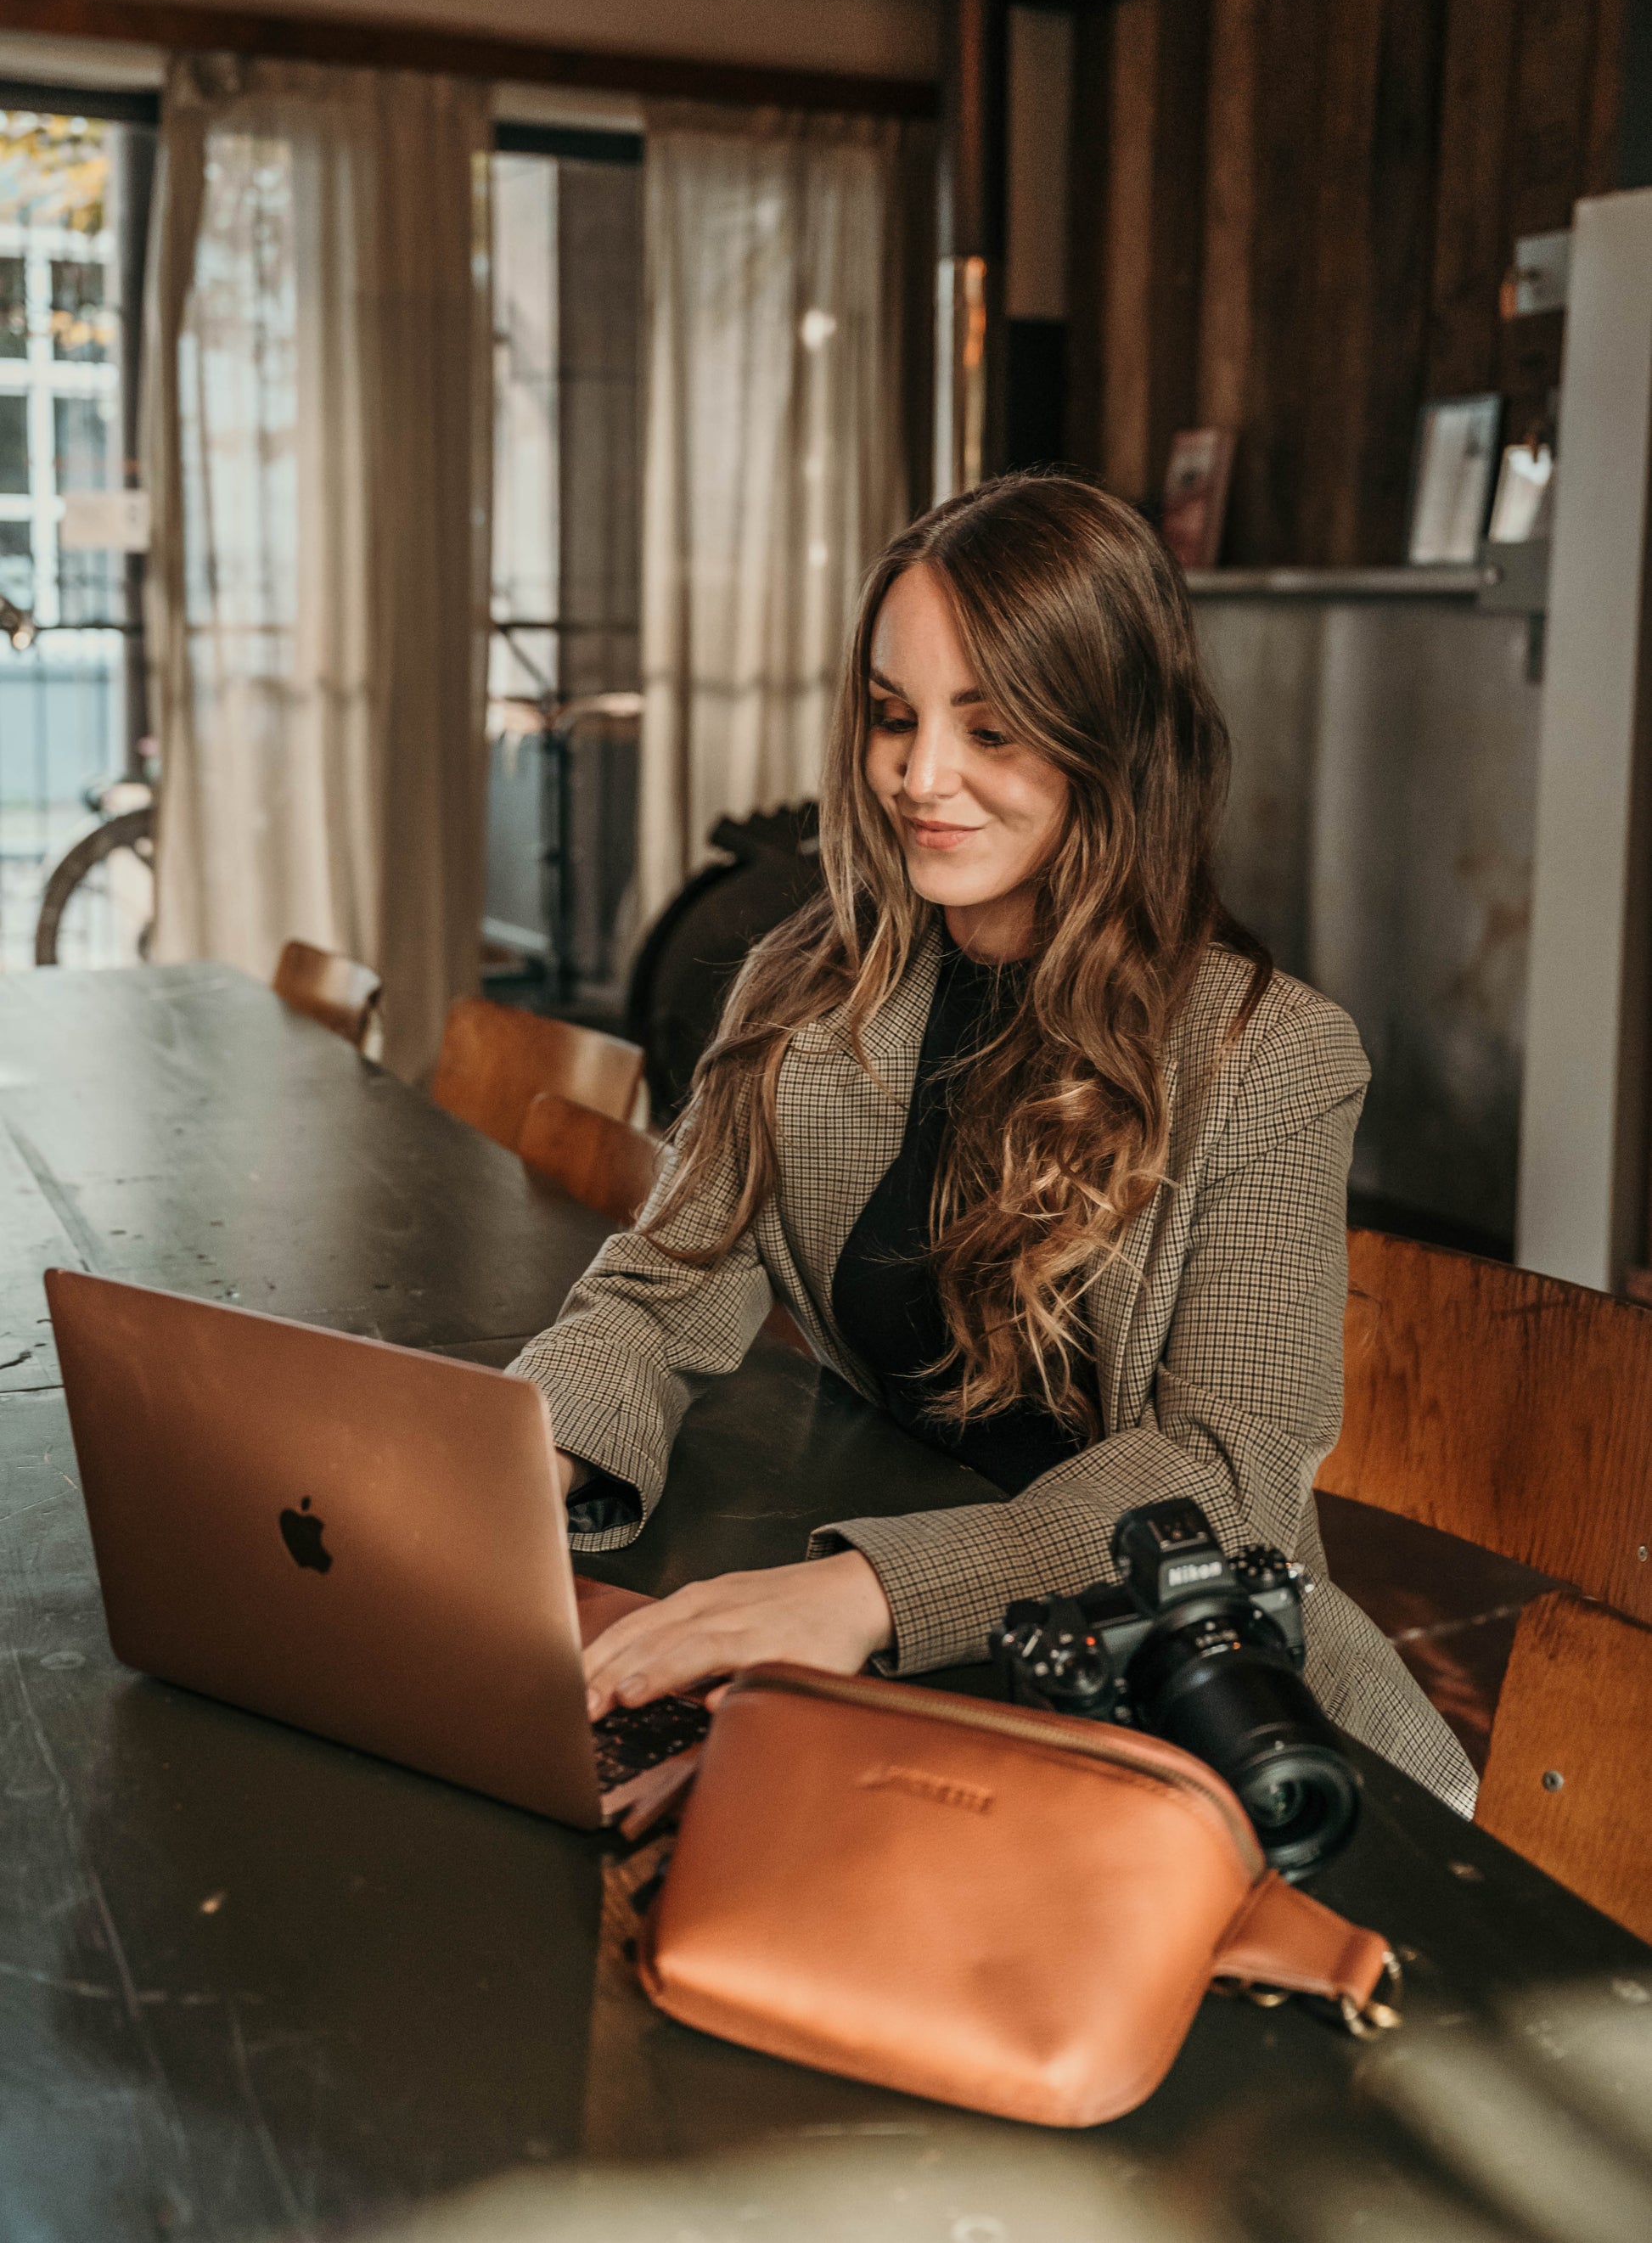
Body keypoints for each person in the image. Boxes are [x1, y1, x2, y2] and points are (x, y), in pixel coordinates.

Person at [510, 475, 1476, 1815]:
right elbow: (663, 1282)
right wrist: (510, 1469)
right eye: (894, 717)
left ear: (1112, 742)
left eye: (993, 728)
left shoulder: (1270, 1055)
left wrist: (864, 1591)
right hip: (927, 1691)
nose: (919, 777)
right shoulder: (804, 990)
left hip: (1210, 1717)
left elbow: (1229, 1474)